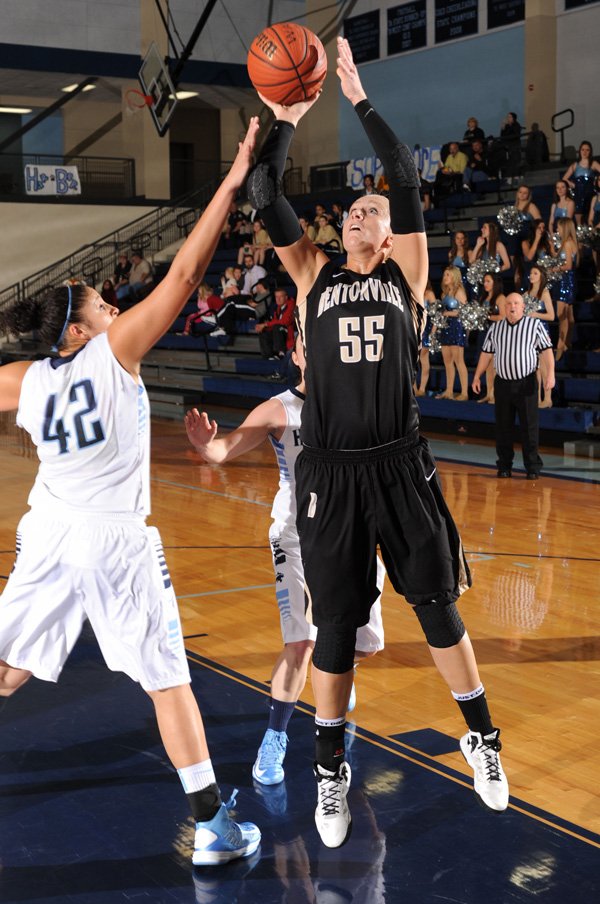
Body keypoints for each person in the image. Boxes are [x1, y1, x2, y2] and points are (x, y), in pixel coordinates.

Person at [245, 35, 509, 848]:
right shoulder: (313, 273)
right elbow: (264, 192)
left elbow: (400, 172)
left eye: (370, 212)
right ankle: (329, 771)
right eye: (351, 209)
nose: (357, 209)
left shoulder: (408, 277)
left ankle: (482, 741)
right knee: (333, 631)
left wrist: (358, 98)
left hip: (400, 464)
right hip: (331, 473)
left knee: (436, 605)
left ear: (390, 238)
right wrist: (286, 116)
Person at [0, 119, 261, 867]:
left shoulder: (25, 379)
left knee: (11, 667)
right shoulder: (113, 353)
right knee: (166, 679)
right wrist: (233, 179)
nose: (115, 309)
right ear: (79, 333)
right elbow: (185, 274)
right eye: (101, 306)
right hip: (116, 542)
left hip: (49, 534)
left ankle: (213, 821)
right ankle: (212, 826)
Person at [183, 336, 385, 788]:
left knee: (366, 645)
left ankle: (334, 677)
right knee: (302, 643)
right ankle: (274, 740)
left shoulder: (360, 400)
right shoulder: (278, 410)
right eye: (308, 347)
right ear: (296, 356)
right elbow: (226, 449)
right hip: (296, 535)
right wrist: (207, 447)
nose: (318, 354)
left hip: (352, 535)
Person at [472, 293, 555, 479]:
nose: (512, 306)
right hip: (502, 383)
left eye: (516, 303)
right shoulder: (495, 328)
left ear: (523, 306)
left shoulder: (534, 325)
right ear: (504, 307)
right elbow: (486, 353)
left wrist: (551, 374)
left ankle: (532, 467)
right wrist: (477, 376)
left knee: (529, 427)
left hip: (526, 383)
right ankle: (504, 466)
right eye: (509, 303)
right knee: (503, 427)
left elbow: (547, 351)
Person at [435, 266, 469, 401]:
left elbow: (466, 311)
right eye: (444, 275)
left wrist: (448, 313)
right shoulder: (444, 294)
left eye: (448, 275)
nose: (445, 277)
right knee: (447, 361)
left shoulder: (459, 291)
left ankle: (464, 392)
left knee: (459, 361)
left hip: (456, 327)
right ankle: (449, 391)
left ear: (454, 276)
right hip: (445, 327)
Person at [525, 265, 555, 408]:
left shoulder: (544, 293)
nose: (531, 275)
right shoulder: (526, 293)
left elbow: (551, 316)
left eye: (535, 273)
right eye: (531, 272)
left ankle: (547, 398)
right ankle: (536, 398)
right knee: (534, 367)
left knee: (544, 367)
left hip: (542, 331)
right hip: (530, 333)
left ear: (541, 276)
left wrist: (535, 314)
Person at [473, 271, 506, 404]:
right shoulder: (484, 297)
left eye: (488, 281)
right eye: (484, 281)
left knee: (494, 365)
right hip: (484, 331)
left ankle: (495, 394)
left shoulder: (501, 297)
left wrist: (486, 316)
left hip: (495, 331)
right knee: (486, 364)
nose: (485, 284)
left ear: (495, 283)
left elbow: (503, 317)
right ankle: (489, 393)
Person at [551, 217, 580, 360]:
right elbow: (557, 257)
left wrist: (556, 269)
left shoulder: (568, 243)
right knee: (568, 315)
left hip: (565, 280)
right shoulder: (565, 243)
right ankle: (567, 342)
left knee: (561, 314)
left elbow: (568, 265)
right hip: (566, 280)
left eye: (559, 227)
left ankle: (561, 344)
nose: (557, 230)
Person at [562, 141, 600, 225]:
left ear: (590, 152)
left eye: (587, 150)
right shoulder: (575, 165)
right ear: (579, 151)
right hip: (578, 195)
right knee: (579, 222)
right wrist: (572, 184)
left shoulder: (593, 163)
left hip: (590, 194)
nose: (585, 152)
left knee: (590, 218)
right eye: (583, 150)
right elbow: (564, 179)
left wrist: (596, 180)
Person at [255, 288, 296, 358]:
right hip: (281, 333)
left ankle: (280, 353)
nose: (278, 299)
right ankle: (268, 356)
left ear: (286, 297)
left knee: (277, 327)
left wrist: (265, 324)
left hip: (290, 335)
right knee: (264, 331)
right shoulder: (278, 308)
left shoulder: (291, 305)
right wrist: (263, 327)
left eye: (280, 296)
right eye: (276, 297)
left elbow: (285, 322)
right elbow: (274, 322)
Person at [500, 112, 522, 185]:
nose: (508, 118)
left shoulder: (516, 125)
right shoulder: (506, 126)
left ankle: (516, 177)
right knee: (508, 163)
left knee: (514, 161)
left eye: (510, 117)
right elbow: (502, 136)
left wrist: (510, 125)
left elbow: (516, 135)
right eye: (507, 117)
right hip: (507, 147)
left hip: (514, 146)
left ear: (513, 118)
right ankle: (508, 178)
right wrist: (503, 127)